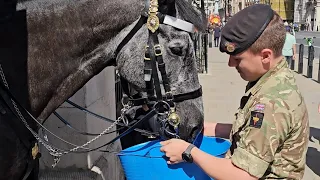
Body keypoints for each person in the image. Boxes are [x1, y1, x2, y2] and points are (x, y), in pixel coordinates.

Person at [160, 4, 309, 180]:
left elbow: (242, 175)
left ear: (266, 56)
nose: (231, 64)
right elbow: (259, 133)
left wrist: (188, 152)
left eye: (237, 58)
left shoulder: (271, 102)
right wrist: (207, 128)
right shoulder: (274, 81)